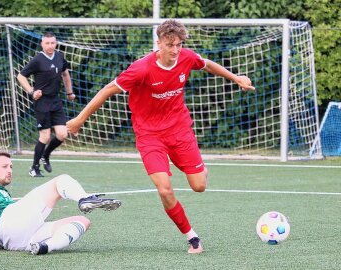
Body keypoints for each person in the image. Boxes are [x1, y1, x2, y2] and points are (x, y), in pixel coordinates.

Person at [66, 19, 255, 254]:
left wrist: (235, 77)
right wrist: (79, 120)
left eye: (178, 44)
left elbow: (206, 64)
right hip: (149, 136)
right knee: (165, 189)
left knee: (199, 186)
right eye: (170, 45)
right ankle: (192, 237)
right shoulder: (141, 69)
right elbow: (106, 90)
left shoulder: (186, 57)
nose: (175, 50)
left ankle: (196, 169)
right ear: (159, 43)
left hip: (180, 130)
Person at [0, 150, 122, 255]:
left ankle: (46, 247)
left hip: (15, 241)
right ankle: (83, 198)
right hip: (7, 223)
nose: (10, 170)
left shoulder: (1, 193)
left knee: (83, 221)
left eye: (11, 166)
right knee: (60, 181)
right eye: (4, 166)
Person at [17, 31, 76, 177]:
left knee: (62, 134)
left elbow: (65, 74)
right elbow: (20, 76)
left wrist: (69, 92)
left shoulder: (60, 57)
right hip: (42, 101)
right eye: (47, 43)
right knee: (45, 136)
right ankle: (34, 168)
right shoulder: (37, 60)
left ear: (56, 43)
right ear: (42, 44)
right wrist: (31, 91)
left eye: (52, 43)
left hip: (55, 101)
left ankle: (46, 155)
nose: (50, 45)